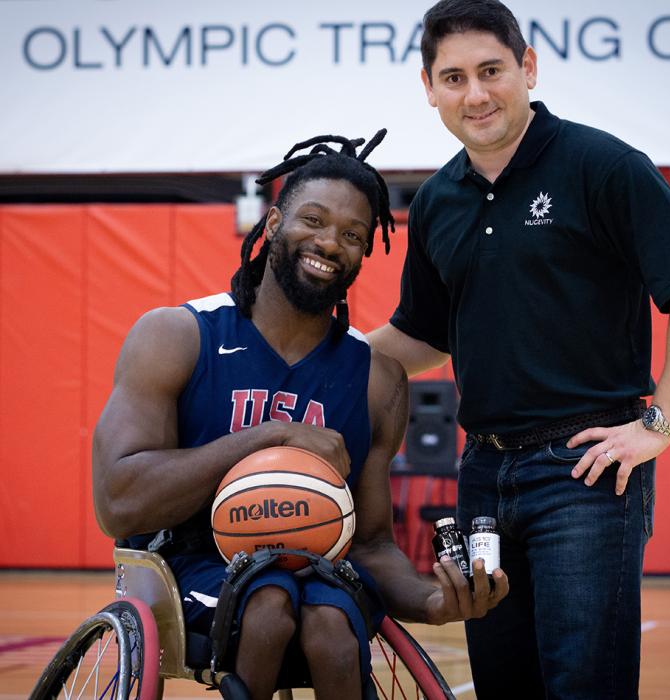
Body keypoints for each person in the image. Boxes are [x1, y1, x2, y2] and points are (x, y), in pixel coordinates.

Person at [92, 130, 508, 700]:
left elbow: (371, 545)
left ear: (365, 253)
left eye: (353, 234)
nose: (330, 242)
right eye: (312, 219)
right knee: (269, 606)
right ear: (272, 224)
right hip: (191, 567)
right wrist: (271, 437)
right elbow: (119, 502)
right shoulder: (178, 336)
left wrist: (434, 602)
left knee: (332, 628)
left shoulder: (376, 380)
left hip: (319, 574)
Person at [367, 1, 670, 698]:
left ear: (528, 68)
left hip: (585, 474)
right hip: (483, 474)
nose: (476, 93)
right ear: (428, 88)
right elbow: (423, 337)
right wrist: (308, 360)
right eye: (453, 78)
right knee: (504, 685)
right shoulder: (436, 203)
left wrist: (660, 425)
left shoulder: (602, 165)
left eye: (491, 71)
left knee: (585, 687)